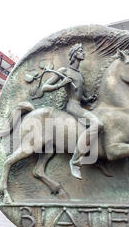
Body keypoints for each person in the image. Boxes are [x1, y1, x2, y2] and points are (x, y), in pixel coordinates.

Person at [33, 43, 103, 179]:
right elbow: (45, 87)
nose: (83, 53)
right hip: (72, 106)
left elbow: (79, 94)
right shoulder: (64, 71)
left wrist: (87, 99)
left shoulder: (80, 75)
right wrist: (61, 84)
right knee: (98, 124)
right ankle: (75, 162)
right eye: (80, 51)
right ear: (74, 54)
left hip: (79, 105)